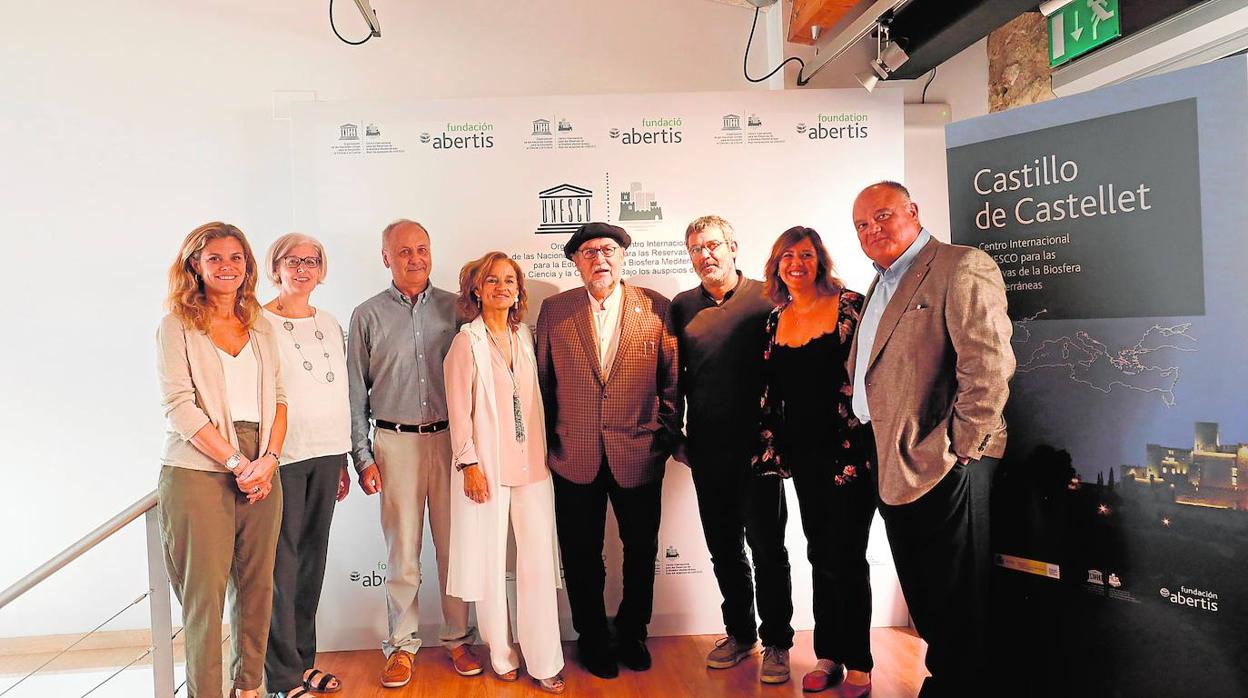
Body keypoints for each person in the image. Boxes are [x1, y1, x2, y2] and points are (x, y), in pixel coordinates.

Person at [847, 181, 1014, 697]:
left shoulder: (961, 265)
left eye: (882, 217)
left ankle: (960, 686)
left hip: (942, 460)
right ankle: (947, 679)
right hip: (894, 459)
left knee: (955, 595)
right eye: (861, 225)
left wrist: (961, 448)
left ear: (912, 212)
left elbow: (988, 364)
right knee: (926, 591)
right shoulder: (882, 280)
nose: (872, 230)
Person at [534, 222, 681, 679]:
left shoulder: (655, 307)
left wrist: (661, 436)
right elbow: (543, 384)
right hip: (573, 454)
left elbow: (671, 379)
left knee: (640, 550)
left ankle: (634, 632)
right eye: (589, 252)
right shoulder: (554, 311)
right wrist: (551, 441)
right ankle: (593, 637)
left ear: (622, 257)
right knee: (580, 553)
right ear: (576, 262)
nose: (600, 258)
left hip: (638, 452)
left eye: (609, 250)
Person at [346, 219, 480, 689]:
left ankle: (459, 638)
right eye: (404, 251)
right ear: (386, 257)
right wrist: (362, 457)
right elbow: (353, 394)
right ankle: (401, 646)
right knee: (402, 552)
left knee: (453, 546)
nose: (415, 258)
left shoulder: (457, 309)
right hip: (394, 444)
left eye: (422, 248)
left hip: (450, 443)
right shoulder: (366, 315)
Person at [156, 222, 286, 698]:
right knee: (203, 601)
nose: (227, 266)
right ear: (195, 264)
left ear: (247, 265)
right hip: (199, 469)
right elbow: (179, 406)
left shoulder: (261, 326)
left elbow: (279, 397)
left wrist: (268, 459)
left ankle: (248, 688)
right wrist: (237, 462)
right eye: (215, 258)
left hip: (263, 466)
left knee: (257, 591)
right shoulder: (176, 325)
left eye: (236, 257)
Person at [667, 216, 794, 684]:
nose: (706, 255)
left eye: (714, 245)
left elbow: (790, 371)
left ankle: (778, 642)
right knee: (724, 550)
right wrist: (677, 437)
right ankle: (741, 635)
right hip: (706, 452)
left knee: (769, 551)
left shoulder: (768, 297)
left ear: (734, 247)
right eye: (696, 248)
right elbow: (673, 377)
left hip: (760, 453)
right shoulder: (682, 307)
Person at [754, 226, 876, 696]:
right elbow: (772, 395)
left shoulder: (851, 306)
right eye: (787, 256)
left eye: (805, 255)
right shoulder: (775, 318)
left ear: (820, 260)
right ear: (777, 265)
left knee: (848, 556)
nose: (796, 264)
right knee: (820, 554)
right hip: (803, 457)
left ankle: (860, 661)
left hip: (849, 455)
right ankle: (829, 655)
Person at [444, 251, 566, 694]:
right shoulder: (467, 342)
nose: (501, 287)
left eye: (510, 280)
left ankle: (545, 659)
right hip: (487, 472)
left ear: (519, 290)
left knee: (537, 565)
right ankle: (501, 653)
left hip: (533, 466)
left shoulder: (526, 337)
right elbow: (459, 410)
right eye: (492, 280)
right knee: (491, 565)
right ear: (476, 289)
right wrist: (469, 464)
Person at [260, 233, 351, 697]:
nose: (302, 269)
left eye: (312, 261)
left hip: (328, 452)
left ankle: (303, 664)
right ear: (275, 267)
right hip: (283, 458)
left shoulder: (331, 322)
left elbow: (339, 394)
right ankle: (279, 676)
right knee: (282, 565)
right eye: (292, 261)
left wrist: (344, 462)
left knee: (312, 564)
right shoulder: (257, 321)